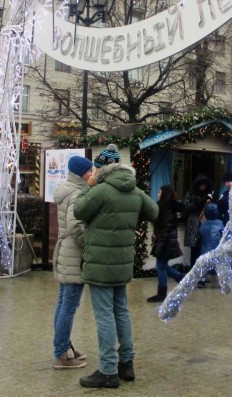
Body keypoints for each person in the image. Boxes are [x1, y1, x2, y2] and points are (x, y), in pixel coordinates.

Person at [73, 144, 159, 389]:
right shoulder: (135, 190)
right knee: (121, 311)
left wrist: (86, 189)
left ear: (102, 170)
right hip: (122, 265)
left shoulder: (100, 190)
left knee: (104, 315)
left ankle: (108, 370)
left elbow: (79, 210)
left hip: (101, 266)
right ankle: (126, 363)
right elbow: (154, 211)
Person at [52, 155, 91, 368]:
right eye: (88, 171)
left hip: (64, 251)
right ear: (80, 173)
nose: (91, 174)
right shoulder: (77, 193)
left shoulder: (65, 189)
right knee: (69, 304)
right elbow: (76, 226)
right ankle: (61, 353)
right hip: (74, 254)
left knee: (63, 303)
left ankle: (65, 345)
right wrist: (90, 246)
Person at [147, 184, 184, 302]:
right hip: (167, 241)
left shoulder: (165, 207)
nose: (158, 194)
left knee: (160, 267)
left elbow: (165, 228)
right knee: (163, 266)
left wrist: (158, 238)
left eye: (160, 192)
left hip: (165, 241)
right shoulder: (167, 206)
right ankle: (182, 279)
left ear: (165, 193)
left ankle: (161, 294)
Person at [183, 174, 214, 268]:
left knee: (203, 248)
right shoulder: (190, 194)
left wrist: (209, 203)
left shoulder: (207, 195)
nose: (203, 187)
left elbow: (212, 211)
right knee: (194, 249)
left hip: (204, 223)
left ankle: (202, 271)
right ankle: (193, 269)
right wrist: (196, 202)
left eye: (205, 185)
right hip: (193, 223)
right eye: (201, 185)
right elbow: (185, 207)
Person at [197, 203, 224, 288]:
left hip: (205, 249)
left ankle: (202, 281)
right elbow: (223, 233)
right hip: (217, 249)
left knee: (203, 265)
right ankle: (221, 281)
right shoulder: (220, 223)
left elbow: (200, 233)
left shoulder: (203, 224)